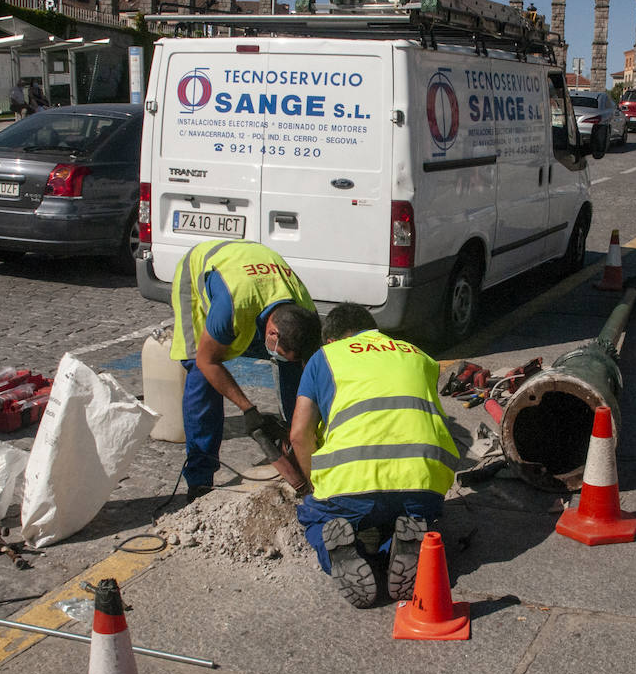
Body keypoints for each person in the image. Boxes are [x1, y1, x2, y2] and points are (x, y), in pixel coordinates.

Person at [289, 302, 459, 608]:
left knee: (316, 518)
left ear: (332, 340)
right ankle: (404, 538)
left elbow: (299, 434)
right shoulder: (419, 355)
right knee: (399, 513)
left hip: (352, 484)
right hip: (424, 482)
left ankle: (343, 553)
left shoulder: (325, 358)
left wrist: (315, 485)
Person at [169, 238, 322, 500]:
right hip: (203, 271)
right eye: (278, 350)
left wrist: (297, 429)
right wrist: (248, 410)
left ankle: (296, 451)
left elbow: (308, 370)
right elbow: (209, 361)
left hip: (254, 274)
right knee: (200, 374)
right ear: (271, 332)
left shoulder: (305, 310)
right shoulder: (231, 307)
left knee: (294, 371)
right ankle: (200, 480)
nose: (279, 356)